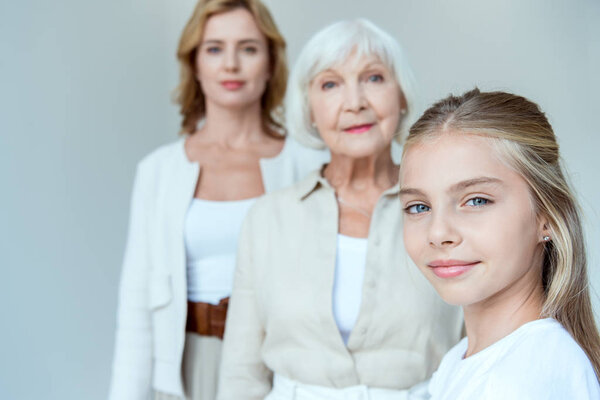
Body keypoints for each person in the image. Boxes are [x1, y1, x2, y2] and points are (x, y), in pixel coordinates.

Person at [217, 19, 463, 400]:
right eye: (330, 84)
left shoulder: (448, 213)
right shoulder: (268, 218)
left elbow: (484, 350)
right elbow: (241, 372)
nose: (355, 103)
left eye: (374, 78)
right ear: (310, 109)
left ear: (401, 97)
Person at [108, 1, 328, 399]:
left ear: (270, 63)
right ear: (194, 63)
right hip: (183, 367)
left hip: (282, 367)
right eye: (214, 49)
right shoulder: (158, 171)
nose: (231, 64)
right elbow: (136, 305)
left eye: (248, 48)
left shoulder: (310, 164)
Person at [399, 88, 600, 399]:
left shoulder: (526, 378)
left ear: (546, 217)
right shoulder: (461, 360)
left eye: (476, 200)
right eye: (418, 207)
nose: (437, 233)